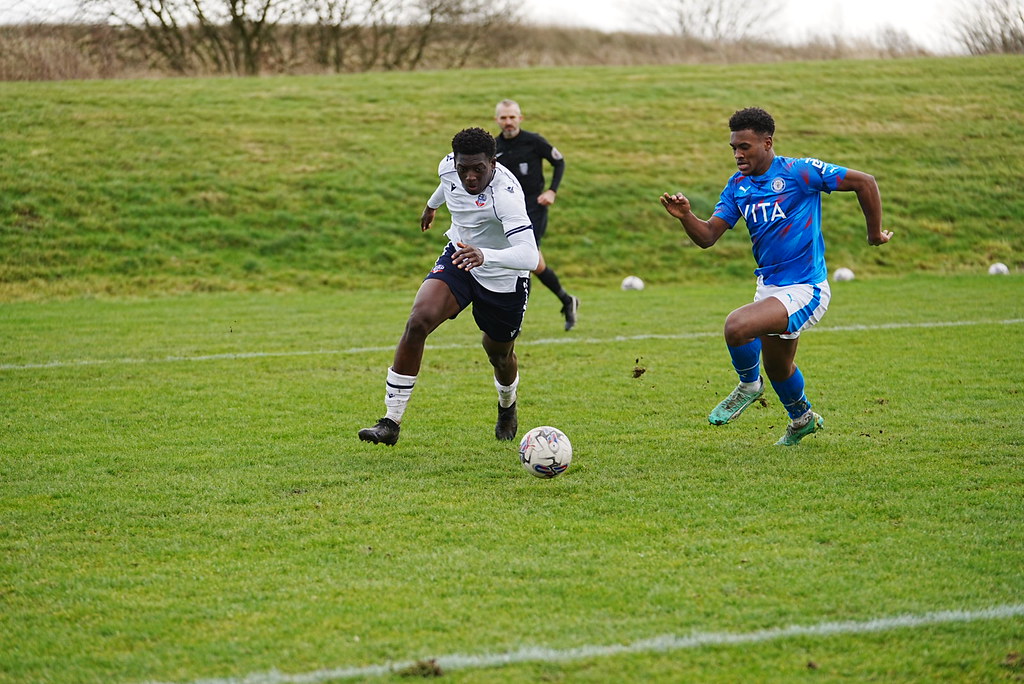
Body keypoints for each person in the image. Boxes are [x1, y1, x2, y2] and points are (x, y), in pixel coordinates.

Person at [660, 107, 892, 446]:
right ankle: (802, 419)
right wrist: (685, 216)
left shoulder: (800, 172)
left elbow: (864, 182)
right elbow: (708, 236)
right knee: (780, 368)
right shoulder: (738, 186)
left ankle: (748, 386)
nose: (738, 154)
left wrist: (874, 234)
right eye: (733, 148)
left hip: (806, 288)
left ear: (767, 143)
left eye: (745, 147)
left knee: (736, 327)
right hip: (770, 288)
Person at [358, 127, 539, 446]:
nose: (470, 177)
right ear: (454, 162)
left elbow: (529, 254)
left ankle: (507, 405)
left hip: (502, 275)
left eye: (478, 170)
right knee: (418, 321)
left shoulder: (506, 196)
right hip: (459, 257)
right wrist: (431, 206)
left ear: (493, 164)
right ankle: (390, 421)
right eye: (463, 168)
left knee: (498, 353)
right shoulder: (448, 168)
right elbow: (447, 185)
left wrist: (486, 255)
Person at [494, 99, 580, 331]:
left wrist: (551, 190)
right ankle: (566, 300)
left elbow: (559, 162)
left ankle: (515, 321)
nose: (508, 121)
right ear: (497, 120)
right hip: (507, 212)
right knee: (533, 264)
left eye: (512, 117)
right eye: (504, 117)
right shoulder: (493, 147)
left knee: (525, 260)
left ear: (520, 118)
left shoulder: (534, 141)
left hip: (533, 209)